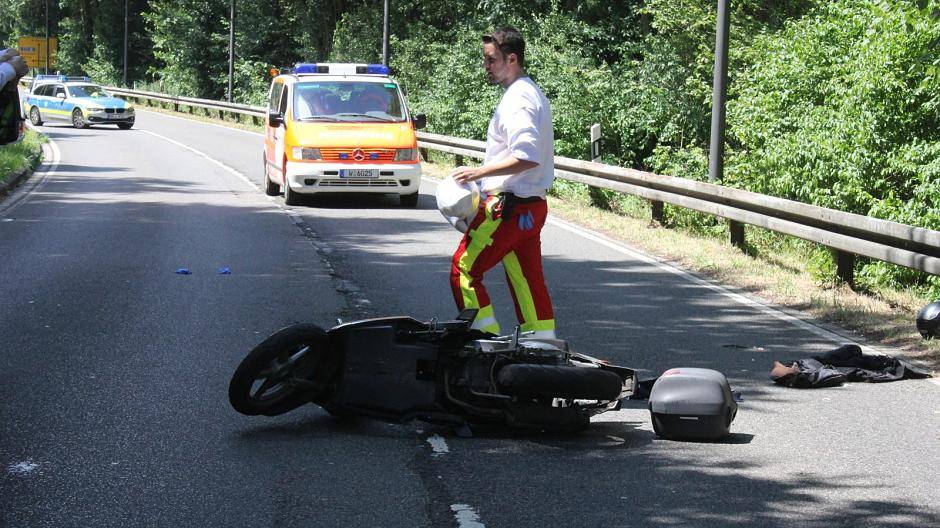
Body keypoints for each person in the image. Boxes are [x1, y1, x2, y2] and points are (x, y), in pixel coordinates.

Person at [449, 26, 556, 339]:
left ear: (512, 59)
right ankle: (542, 343)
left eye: (491, 59)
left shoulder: (518, 100)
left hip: (506, 208)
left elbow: (527, 156)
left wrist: (477, 173)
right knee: (527, 279)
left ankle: (482, 341)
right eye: (485, 59)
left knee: (463, 270)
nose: (486, 66)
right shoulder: (530, 92)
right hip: (531, 208)